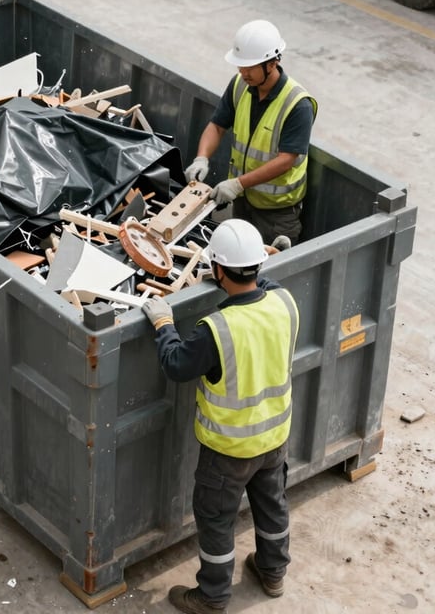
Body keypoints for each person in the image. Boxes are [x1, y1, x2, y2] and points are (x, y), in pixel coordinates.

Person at [141, 219, 299, 614]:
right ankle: (273, 571)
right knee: (272, 506)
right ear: (259, 266)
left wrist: (163, 324)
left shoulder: (218, 328)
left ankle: (211, 597)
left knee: (215, 522)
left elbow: (177, 365)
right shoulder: (285, 302)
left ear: (218, 270)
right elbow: (267, 286)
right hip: (274, 439)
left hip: (228, 451)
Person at [184, 20, 317, 245]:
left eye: (250, 67)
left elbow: (286, 160)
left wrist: (237, 184)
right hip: (243, 202)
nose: (243, 73)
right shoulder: (239, 85)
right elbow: (217, 126)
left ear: (272, 63)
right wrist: (201, 159)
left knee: (270, 271)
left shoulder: (297, 104)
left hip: (277, 214)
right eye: (241, 66)